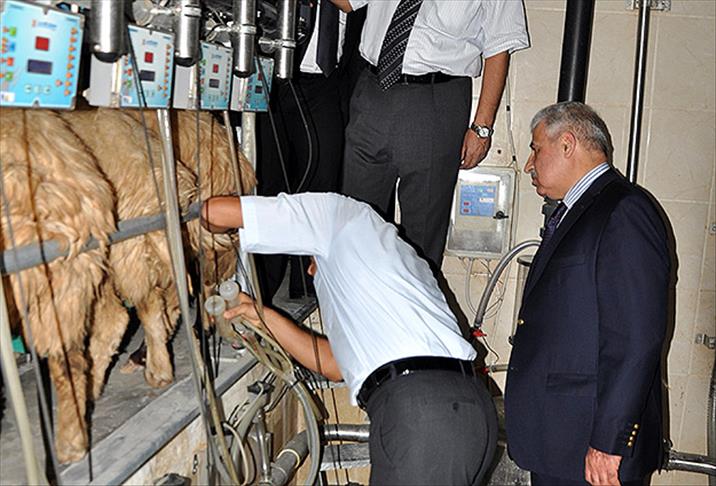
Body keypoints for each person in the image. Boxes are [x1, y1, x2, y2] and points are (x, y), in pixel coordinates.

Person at [202, 192, 498, 485]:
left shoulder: (335, 216)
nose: (308, 270)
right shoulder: (395, 263)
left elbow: (212, 212)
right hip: (467, 410)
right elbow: (333, 365)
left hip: (421, 412)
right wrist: (262, 316)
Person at [504, 102, 671, 486]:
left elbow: (635, 337)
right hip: (561, 442)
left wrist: (609, 443)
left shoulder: (623, 210)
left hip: (592, 450)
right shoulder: (577, 211)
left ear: (567, 144)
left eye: (535, 149)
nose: (529, 164)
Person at [331, 0, 529, 271]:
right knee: (355, 222)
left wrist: (482, 128)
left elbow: (499, 46)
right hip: (372, 90)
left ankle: (414, 297)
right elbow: (347, 3)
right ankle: (354, 295)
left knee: (421, 239)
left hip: (436, 98)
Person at [255, 1, 365, 303]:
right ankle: (263, 286)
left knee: (321, 180)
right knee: (270, 182)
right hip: (271, 71)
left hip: (327, 81)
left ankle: (306, 283)